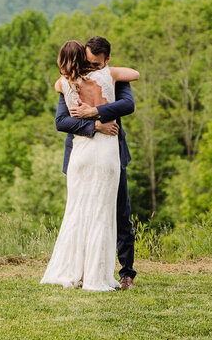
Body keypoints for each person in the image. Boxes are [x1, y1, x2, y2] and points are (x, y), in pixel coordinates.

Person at [40, 38, 139, 291]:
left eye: (96, 63)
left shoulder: (103, 78)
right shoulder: (72, 82)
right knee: (86, 214)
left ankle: (127, 273)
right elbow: (62, 122)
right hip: (90, 151)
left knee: (120, 215)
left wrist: (95, 112)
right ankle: (85, 271)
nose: (92, 67)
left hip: (111, 154)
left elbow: (128, 105)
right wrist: (96, 125)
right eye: (87, 62)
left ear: (107, 60)